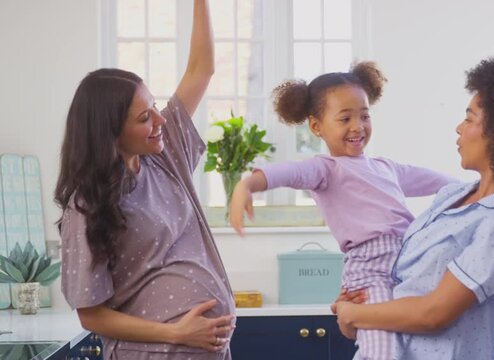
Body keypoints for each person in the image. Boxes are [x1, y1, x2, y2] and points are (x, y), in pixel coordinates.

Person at [332, 56, 494, 360]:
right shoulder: (451, 196)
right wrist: (355, 308)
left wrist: (354, 313)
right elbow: (400, 293)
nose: (459, 128)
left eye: (470, 119)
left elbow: (433, 314)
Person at [229, 61, 455, 360]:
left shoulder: (386, 167)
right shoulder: (326, 169)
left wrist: (478, 188)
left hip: (409, 264)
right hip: (370, 271)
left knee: (417, 346)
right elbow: (289, 172)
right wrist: (248, 185)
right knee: (382, 351)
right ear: (316, 126)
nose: (357, 126)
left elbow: (439, 182)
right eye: (345, 118)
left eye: (364, 116)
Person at [54, 1, 235, 359]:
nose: (160, 120)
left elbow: (201, 69)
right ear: (110, 131)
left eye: (155, 106)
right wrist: (177, 332)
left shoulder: (165, 157)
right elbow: (91, 315)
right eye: (144, 117)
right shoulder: (86, 205)